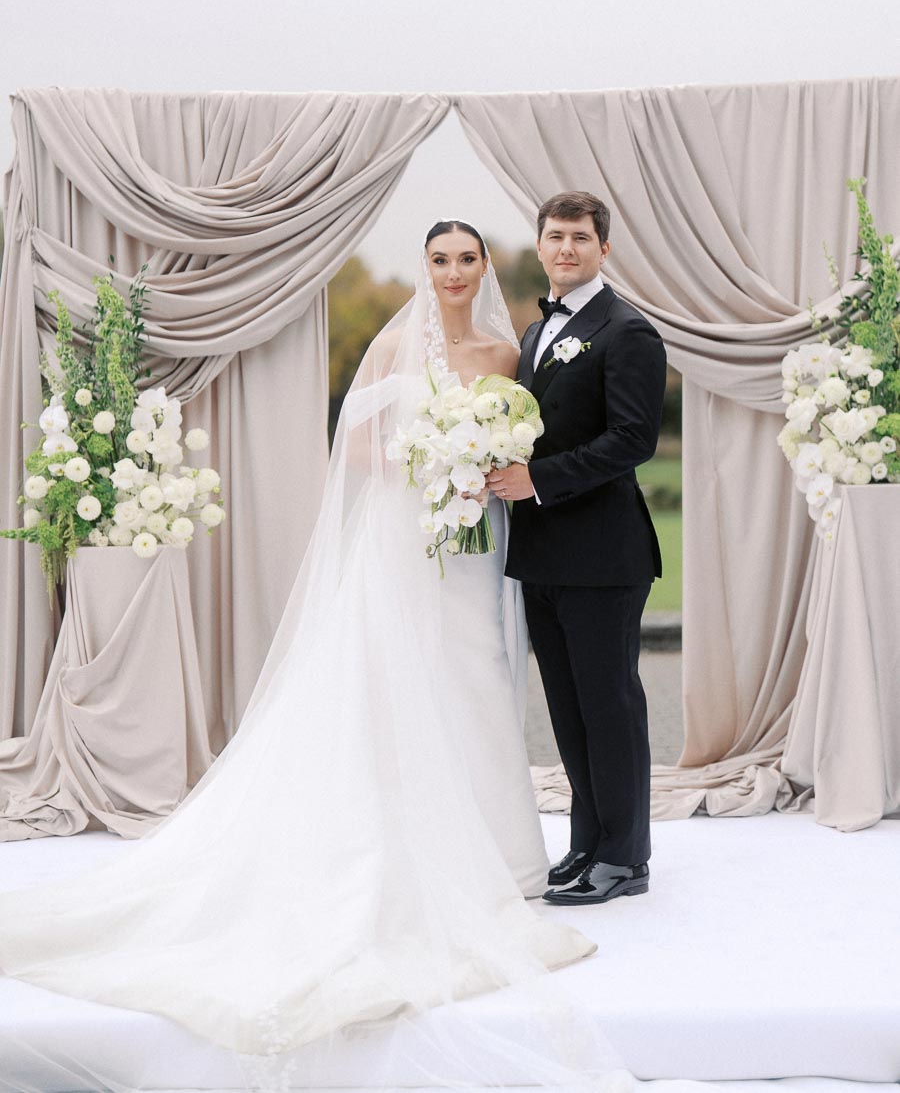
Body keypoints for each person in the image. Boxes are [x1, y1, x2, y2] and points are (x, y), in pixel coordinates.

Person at [0, 220, 596, 1078]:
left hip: (476, 550)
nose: (455, 272)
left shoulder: (507, 355)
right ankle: (411, 843)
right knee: (411, 679)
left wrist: (484, 466)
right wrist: (431, 462)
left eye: (467, 259)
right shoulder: (394, 344)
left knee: (480, 672)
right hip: (409, 539)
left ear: (482, 269)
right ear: (426, 268)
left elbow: (525, 442)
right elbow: (355, 441)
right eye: (440, 260)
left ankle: (500, 853)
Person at [487, 192, 666, 907]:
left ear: (604, 249)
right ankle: (587, 843)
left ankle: (626, 858)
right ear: (540, 246)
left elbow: (634, 440)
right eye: (556, 237)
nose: (567, 249)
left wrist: (536, 480)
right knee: (568, 709)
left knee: (609, 706)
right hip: (543, 553)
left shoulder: (628, 331)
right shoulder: (536, 331)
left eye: (581, 238)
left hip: (604, 556)